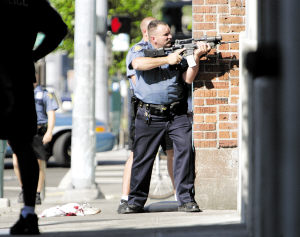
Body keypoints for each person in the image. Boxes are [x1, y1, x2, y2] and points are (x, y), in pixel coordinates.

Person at [121, 20, 211, 214]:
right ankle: (135, 201)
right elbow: (138, 64)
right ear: (153, 38)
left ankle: (186, 199)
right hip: (148, 115)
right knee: (143, 159)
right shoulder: (140, 49)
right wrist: (167, 60)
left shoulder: (178, 50)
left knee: (185, 153)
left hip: (176, 114)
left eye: (170, 33)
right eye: (166, 35)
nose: (170, 37)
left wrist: (195, 56)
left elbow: (188, 78)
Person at [0, 0, 67, 234]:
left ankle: (29, 213)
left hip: (15, 78)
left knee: (23, 146)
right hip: (18, 78)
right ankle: (29, 211)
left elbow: (59, 30)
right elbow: (59, 29)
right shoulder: (31, 1)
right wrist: (32, 56)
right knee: (23, 146)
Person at [118, 17, 176, 214]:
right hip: (144, 110)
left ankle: (180, 196)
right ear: (148, 33)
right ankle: (126, 198)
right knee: (138, 155)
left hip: (169, 110)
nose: (168, 36)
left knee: (172, 153)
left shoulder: (169, 47)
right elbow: (136, 81)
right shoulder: (137, 50)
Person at [13, 82, 58, 205]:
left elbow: (51, 114)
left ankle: (37, 193)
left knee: (38, 163)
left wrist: (49, 131)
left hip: (38, 131)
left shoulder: (45, 94)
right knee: (16, 162)